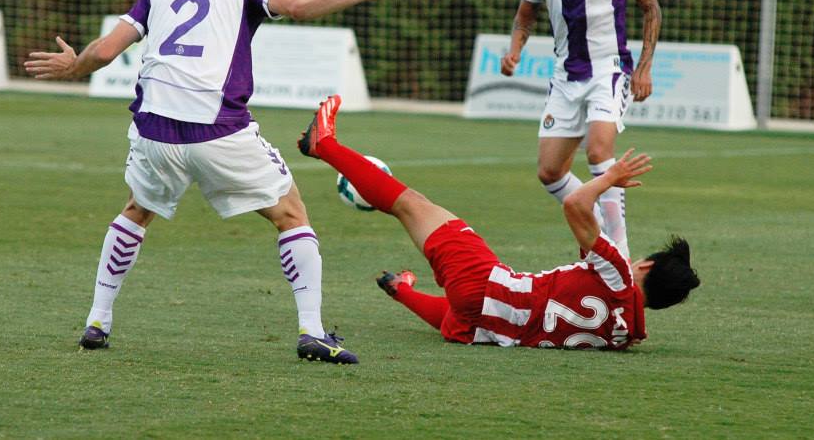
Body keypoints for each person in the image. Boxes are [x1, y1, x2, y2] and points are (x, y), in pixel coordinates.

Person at [24, 0, 415, 364]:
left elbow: (106, 50)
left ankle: (97, 320)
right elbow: (299, 5)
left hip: (153, 129)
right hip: (217, 130)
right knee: (290, 212)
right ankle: (311, 332)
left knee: (137, 209)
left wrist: (73, 66)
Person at [298, 95, 699, 351]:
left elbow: (575, 204)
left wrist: (608, 179)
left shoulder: (617, 273)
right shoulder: (626, 335)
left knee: (411, 204)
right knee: (463, 309)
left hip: (492, 285)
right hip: (493, 325)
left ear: (644, 266)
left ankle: (325, 144)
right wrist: (405, 294)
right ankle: (400, 290)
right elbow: (458, 316)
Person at [501, 0, 663, 260]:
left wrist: (643, 68)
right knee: (550, 172)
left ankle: (618, 250)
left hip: (608, 71)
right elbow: (525, 16)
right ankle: (595, 217)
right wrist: (514, 50)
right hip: (564, 76)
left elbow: (651, 7)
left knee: (598, 152)